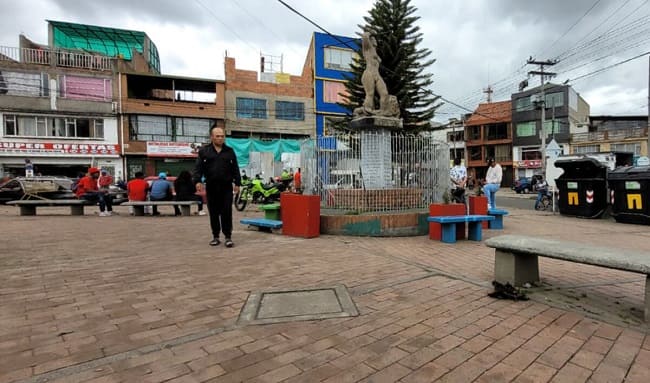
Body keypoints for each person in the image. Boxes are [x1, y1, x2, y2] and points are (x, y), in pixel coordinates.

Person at [192, 125, 241, 247]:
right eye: (217, 136)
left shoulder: (229, 151)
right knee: (213, 212)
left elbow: (235, 168)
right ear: (212, 137)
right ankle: (215, 236)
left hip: (226, 187)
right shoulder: (204, 151)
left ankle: (228, 236)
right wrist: (197, 181)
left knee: (226, 211)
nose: (220, 138)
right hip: (211, 186)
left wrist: (238, 183)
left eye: (222, 136)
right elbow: (198, 168)